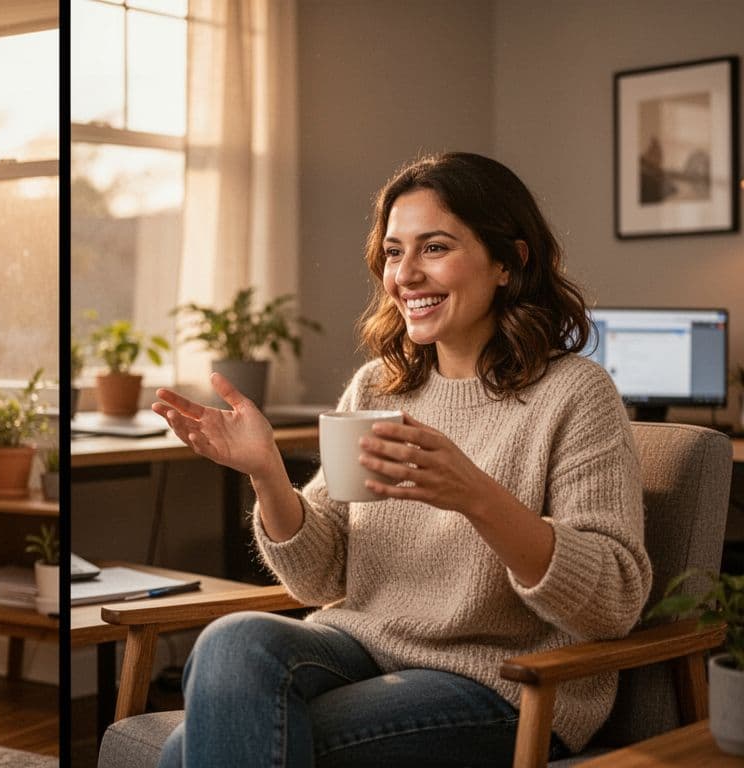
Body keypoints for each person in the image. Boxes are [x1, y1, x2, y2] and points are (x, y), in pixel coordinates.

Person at [151, 152, 651, 767]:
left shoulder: (575, 394)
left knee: (187, 752)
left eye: (434, 248)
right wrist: (267, 474)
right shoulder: (378, 388)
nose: (405, 274)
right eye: (393, 252)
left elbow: (614, 601)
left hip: (499, 684)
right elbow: (320, 577)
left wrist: (475, 495)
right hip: (358, 648)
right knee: (233, 641)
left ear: (508, 261)